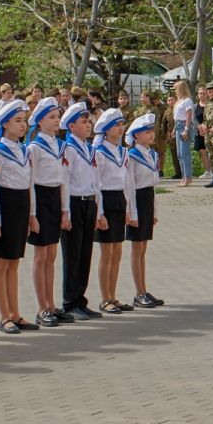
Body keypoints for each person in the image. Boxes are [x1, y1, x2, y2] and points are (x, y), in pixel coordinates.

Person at [0, 99, 39, 334]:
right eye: (18, 121)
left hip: (20, 206)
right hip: (6, 206)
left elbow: (29, 185)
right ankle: (4, 315)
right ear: (5, 124)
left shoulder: (23, 150)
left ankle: (15, 313)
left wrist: (31, 214)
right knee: (2, 264)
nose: (23, 125)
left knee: (14, 264)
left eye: (24, 121)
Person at [26, 97, 68, 327]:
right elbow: (30, 183)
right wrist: (32, 214)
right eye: (51, 118)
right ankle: (42, 307)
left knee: (51, 255)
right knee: (41, 255)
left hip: (54, 198)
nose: (56, 121)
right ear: (40, 122)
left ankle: (51, 304)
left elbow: (62, 180)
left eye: (57, 117)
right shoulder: (34, 147)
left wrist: (64, 209)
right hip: (40, 199)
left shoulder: (59, 145)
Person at [60, 101, 104, 320]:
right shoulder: (68, 148)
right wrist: (65, 211)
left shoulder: (89, 148)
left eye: (89, 121)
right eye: (83, 122)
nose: (88, 125)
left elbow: (96, 181)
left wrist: (98, 209)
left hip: (88, 202)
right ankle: (69, 302)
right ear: (71, 126)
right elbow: (65, 181)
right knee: (72, 254)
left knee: (85, 253)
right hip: (74, 203)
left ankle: (81, 299)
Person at [92, 108, 132, 314]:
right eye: (116, 125)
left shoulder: (122, 151)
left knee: (117, 252)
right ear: (106, 130)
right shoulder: (99, 152)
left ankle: (113, 296)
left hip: (118, 200)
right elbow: (96, 183)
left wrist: (127, 208)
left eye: (121, 124)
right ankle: (104, 297)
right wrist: (99, 213)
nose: (120, 128)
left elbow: (125, 181)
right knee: (106, 252)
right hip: (105, 200)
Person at [125, 113, 163, 308]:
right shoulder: (132, 156)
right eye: (146, 132)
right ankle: (138, 292)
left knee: (143, 248)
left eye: (151, 131)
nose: (151, 135)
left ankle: (143, 289)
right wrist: (132, 212)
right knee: (137, 248)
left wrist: (154, 212)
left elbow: (153, 187)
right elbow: (130, 186)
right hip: (137, 201)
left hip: (147, 199)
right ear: (136, 136)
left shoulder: (151, 154)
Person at [171, 81, 195, 187]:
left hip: (185, 126)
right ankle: (184, 176)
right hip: (178, 126)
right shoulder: (178, 101)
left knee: (185, 153)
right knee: (179, 154)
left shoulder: (187, 100)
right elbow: (176, 118)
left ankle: (188, 177)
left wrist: (186, 129)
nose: (175, 91)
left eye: (176, 89)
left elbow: (188, 116)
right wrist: (174, 129)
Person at [194, 86, 210, 182]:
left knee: (211, 151)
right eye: (200, 93)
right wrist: (199, 127)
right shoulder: (195, 106)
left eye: (204, 93)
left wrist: (206, 127)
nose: (202, 95)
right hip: (199, 132)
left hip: (210, 131)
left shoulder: (210, 105)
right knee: (202, 151)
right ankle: (207, 170)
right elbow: (193, 118)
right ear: (197, 95)